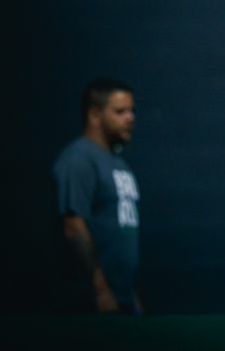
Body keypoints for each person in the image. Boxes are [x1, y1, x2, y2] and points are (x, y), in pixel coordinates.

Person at [52, 78, 141, 314]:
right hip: (91, 303)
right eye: (120, 111)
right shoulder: (79, 159)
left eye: (132, 111)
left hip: (122, 299)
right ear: (94, 115)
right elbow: (73, 227)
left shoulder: (118, 162)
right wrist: (100, 289)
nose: (130, 118)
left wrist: (129, 295)